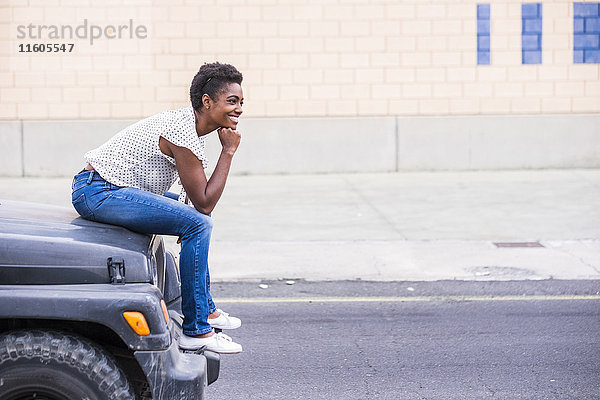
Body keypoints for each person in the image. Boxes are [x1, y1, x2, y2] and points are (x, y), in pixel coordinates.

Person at [71, 62, 244, 354]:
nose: (239, 109)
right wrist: (228, 151)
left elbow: (200, 202)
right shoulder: (182, 131)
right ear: (207, 101)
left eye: (241, 102)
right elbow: (204, 200)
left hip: (111, 189)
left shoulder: (188, 125)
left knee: (198, 218)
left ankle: (207, 310)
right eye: (232, 101)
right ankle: (197, 330)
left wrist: (191, 213)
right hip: (99, 191)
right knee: (198, 223)